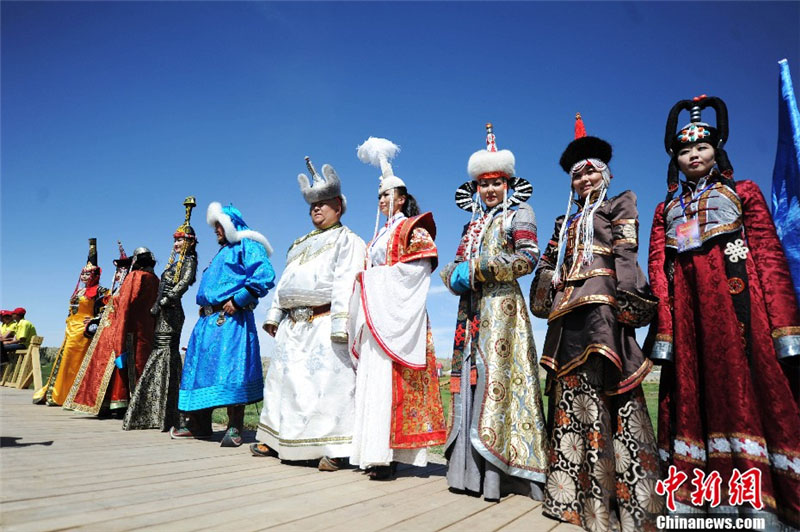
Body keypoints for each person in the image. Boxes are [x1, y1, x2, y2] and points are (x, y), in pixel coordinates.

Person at [648, 95, 800, 529]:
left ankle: (761, 506)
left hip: (741, 308)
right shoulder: (666, 210)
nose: (693, 155)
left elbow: (769, 254)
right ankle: (697, 501)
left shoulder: (742, 192)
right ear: (675, 157)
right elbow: (659, 268)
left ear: (717, 150)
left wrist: (785, 324)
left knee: (746, 390)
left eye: (702, 146)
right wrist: (665, 327)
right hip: (689, 317)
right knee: (692, 395)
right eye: (684, 149)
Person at [530, 115, 661, 530]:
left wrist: (627, 300)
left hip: (604, 310)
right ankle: (575, 501)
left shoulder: (618, 203)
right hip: (566, 318)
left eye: (591, 172)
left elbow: (626, 252)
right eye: (577, 175)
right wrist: (546, 280)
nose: (584, 180)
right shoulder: (562, 222)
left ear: (604, 174)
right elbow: (547, 263)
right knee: (572, 397)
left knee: (611, 394)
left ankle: (623, 503)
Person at [440, 123, 548, 501]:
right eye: (483, 184)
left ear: (508, 184)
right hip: (469, 310)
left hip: (502, 310)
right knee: (471, 378)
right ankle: (468, 472)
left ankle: (500, 474)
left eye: (496, 183)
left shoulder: (521, 213)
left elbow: (528, 258)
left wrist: (478, 269)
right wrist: (453, 275)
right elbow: (455, 264)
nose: (489, 190)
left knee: (498, 379)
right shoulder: (471, 224)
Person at [251, 157, 365, 471]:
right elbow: (285, 280)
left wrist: (341, 321)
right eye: (312, 205)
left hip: (325, 320)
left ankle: (335, 448)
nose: (316, 209)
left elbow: (347, 281)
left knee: (327, 385)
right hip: (293, 325)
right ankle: (276, 440)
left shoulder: (349, 240)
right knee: (285, 383)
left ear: (338, 207)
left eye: (323, 204)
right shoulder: (298, 244)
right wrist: (274, 314)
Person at [348, 136, 446, 480]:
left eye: (387, 195)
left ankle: (389, 457)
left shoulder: (411, 228)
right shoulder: (379, 234)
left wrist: (374, 281)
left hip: (398, 314)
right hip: (377, 314)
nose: (382, 200)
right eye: (378, 196)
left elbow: (417, 271)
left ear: (402, 198)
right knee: (374, 382)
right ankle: (373, 452)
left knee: (393, 384)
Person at [172, 202, 275, 447]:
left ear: (232, 225)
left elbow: (264, 275)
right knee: (201, 372)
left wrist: (239, 300)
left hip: (230, 320)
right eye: (215, 226)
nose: (216, 230)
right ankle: (199, 424)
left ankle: (235, 427)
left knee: (231, 370)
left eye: (220, 225)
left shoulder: (247, 245)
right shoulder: (222, 252)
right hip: (207, 321)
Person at [123, 197, 199, 431]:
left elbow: (185, 283)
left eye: (181, 240)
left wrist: (167, 300)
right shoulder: (171, 265)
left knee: (166, 355)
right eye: (175, 241)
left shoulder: (189, 261)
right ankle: (152, 411)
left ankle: (167, 413)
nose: (176, 245)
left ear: (190, 242)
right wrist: (157, 305)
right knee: (158, 353)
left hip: (173, 313)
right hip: (162, 313)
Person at [64, 247, 159, 415]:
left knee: (118, 365)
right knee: (139, 366)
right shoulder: (155, 279)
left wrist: (118, 335)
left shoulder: (135, 277)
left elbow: (124, 306)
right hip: (145, 331)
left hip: (125, 327)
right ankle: (135, 404)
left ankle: (112, 402)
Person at [34, 239, 109, 406]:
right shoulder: (80, 290)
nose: (84, 276)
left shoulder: (100, 291)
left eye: (88, 274)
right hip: (70, 329)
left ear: (95, 275)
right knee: (64, 361)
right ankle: (57, 392)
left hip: (83, 331)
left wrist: (96, 319)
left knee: (75, 361)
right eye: (83, 273)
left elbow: (109, 306)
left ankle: (69, 394)